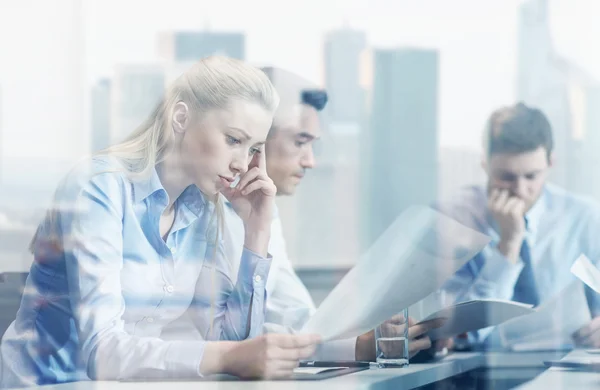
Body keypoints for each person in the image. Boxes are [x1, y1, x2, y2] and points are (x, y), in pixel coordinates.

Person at [0, 56, 322, 388]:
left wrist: (257, 230)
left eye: (254, 148)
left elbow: (234, 343)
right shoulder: (99, 188)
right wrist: (227, 357)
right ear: (180, 117)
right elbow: (103, 351)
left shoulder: (204, 209)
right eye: (233, 140)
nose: (242, 164)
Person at [223, 66, 448, 361]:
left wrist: (367, 341)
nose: (310, 161)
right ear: (255, 139)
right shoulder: (211, 216)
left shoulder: (264, 212)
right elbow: (230, 339)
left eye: (313, 146)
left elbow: (296, 318)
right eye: (300, 142)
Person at [437, 102, 600, 347]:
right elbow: (455, 333)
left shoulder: (584, 217)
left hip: (564, 370)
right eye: (506, 177)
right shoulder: (456, 219)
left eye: (531, 176)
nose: (520, 191)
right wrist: (509, 245)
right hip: (475, 372)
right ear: (485, 164)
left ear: (550, 163)